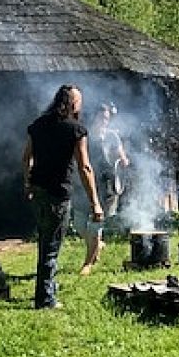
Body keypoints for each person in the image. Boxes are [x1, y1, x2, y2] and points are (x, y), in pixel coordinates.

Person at [22, 85, 103, 309]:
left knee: (45, 242)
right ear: (72, 104)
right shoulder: (76, 130)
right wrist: (95, 202)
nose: (81, 106)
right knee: (51, 247)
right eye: (79, 102)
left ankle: (47, 289)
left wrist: (28, 183)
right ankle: (45, 299)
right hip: (58, 195)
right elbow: (85, 167)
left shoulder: (38, 125)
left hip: (38, 192)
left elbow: (26, 158)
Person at [72, 102, 129, 276]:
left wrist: (123, 161)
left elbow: (122, 156)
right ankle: (97, 244)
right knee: (79, 224)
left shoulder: (112, 136)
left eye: (107, 118)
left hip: (106, 186)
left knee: (96, 225)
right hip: (85, 183)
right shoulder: (84, 134)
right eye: (102, 117)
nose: (105, 121)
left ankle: (88, 263)